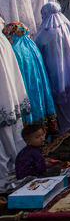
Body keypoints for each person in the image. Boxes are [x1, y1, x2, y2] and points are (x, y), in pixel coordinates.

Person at [34, 2, 70, 135]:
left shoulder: (45, 31)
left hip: (55, 68)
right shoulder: (66, 24)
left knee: (60, 94)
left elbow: (39, 46)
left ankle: (64, 124)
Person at [3, 22, 57, 134]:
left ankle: (32, 135)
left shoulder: (15, 49)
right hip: (38, 83)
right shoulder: (30, 44)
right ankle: (44, 131)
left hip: (25, 86)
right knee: (39, 101)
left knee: (31, 104)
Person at [0, 21, 31, 179]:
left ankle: (10, 165)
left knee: (7, 130)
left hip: (4, 93)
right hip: (7, 93)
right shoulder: (3, 39)